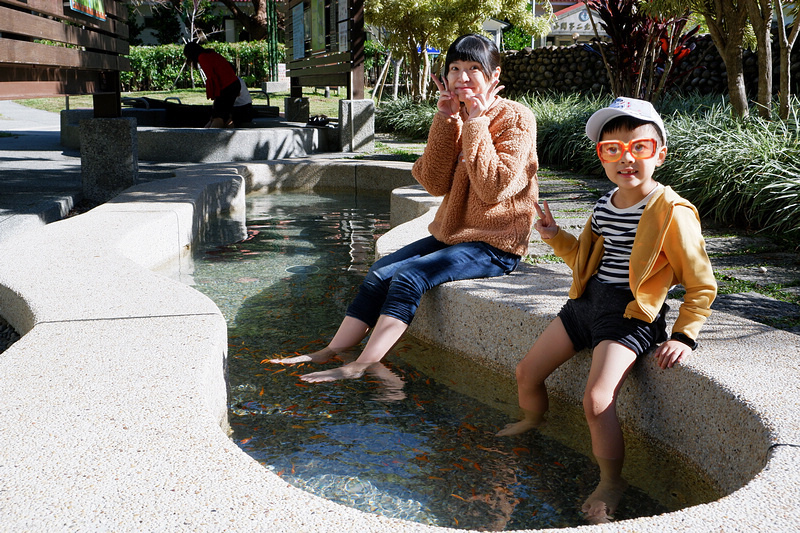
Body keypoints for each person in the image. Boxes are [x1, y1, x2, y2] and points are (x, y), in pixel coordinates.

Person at [270, 33, 539, 383]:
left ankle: (362, 364)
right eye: (454, 68)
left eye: (474, 68)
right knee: (381, 270)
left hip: (496, 244)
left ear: (494, 76)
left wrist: (476, 122)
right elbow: (433, 182)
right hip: (455, 235)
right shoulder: (455, 114)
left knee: (410, 278)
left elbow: (494, 188)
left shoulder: (516, 117)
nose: (462, 77)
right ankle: (332, 349)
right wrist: (446, 119)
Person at [497, 97, 717, 524]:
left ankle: (612, 479)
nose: (626, 158)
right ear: (602, 157)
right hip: (586, 302)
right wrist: (554, 234)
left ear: (660, 153)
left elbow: (701, 282)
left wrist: (685, 335)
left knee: (597, 399)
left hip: (630, 314)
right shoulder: (604, 205)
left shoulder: (672, 211)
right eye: (611, 149)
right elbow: (585, 259)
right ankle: (533, 420)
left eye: (640, 147)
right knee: (526, 371)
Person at [183, 42, 241, 128]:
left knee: (218, 116)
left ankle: (210, 138)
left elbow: (212, 78)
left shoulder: (203, 57)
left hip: (226, 87)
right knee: (224, 115)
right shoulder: (211, 54)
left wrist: (215, 96)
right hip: (233, 84)